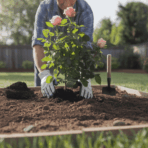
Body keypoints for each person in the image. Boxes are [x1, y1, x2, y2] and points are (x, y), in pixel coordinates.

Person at [32, 0, 94, 99]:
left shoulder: (85, 9)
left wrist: (85, 76)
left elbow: (85, 46)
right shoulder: (45, 7)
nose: (67, 2)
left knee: (75, 90)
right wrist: (44, 74)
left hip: (74, 61)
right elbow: (38, 44)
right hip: (47, 59)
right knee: (43, 96)